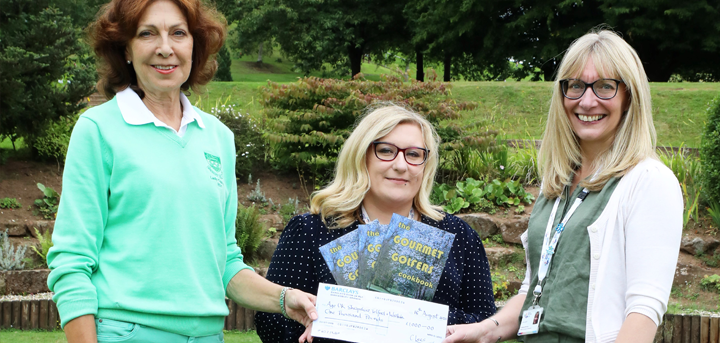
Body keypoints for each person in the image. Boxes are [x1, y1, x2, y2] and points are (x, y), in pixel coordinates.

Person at [46, 1, 317, 342]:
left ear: (194, 45)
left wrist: (283, 298)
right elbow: (72, 262)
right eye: (147, 34)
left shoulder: (218, 137)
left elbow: (225, 263)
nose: (165, 48)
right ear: (126, 49)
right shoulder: (98, 129)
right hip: (126, 333)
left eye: (178, 33)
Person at [442, 30, 683, 343]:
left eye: (605, 86)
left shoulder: (649, 181)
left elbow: (643, 311)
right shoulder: (557, 181)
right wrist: (486, 330)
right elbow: (535, 288)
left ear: (629, 97)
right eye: (575, 85)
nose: (586, 100)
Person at [255, 105, 497, 343]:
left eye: (413, 154)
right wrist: (338, 320)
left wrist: (414, 320)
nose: (401, 165)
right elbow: (270, 322)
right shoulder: (311, 230)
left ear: (426, 164)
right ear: (362, 156)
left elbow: (483, 323)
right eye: (386, 150)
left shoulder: (458, 235)